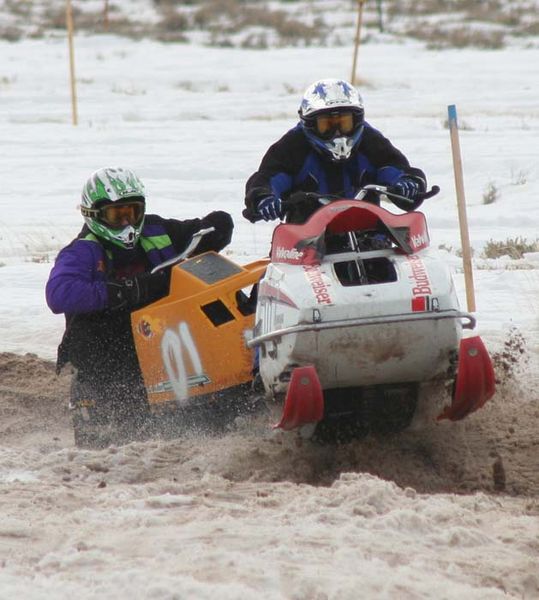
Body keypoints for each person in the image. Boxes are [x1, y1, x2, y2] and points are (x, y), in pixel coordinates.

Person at [46, 166, 233, 442]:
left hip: (165, 340)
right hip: (107, 353)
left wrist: (217, 227)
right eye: (116, 215)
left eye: (131, 213)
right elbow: (58, 293)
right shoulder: (83, 250)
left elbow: (204, 228)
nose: (126, 223)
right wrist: (124, 291)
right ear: (95, 215)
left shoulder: (157, 229)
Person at [244, 78, 428, 223]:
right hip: (305, 243)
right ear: (309, 125)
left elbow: (393, 167)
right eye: (327, 126)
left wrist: (408, 183)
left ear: (357, 121)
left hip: (369, 235)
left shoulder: (370, 140)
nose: (337, 133)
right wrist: (263, 198)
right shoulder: (292, 146)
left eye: (344, 124)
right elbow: (268, 179)